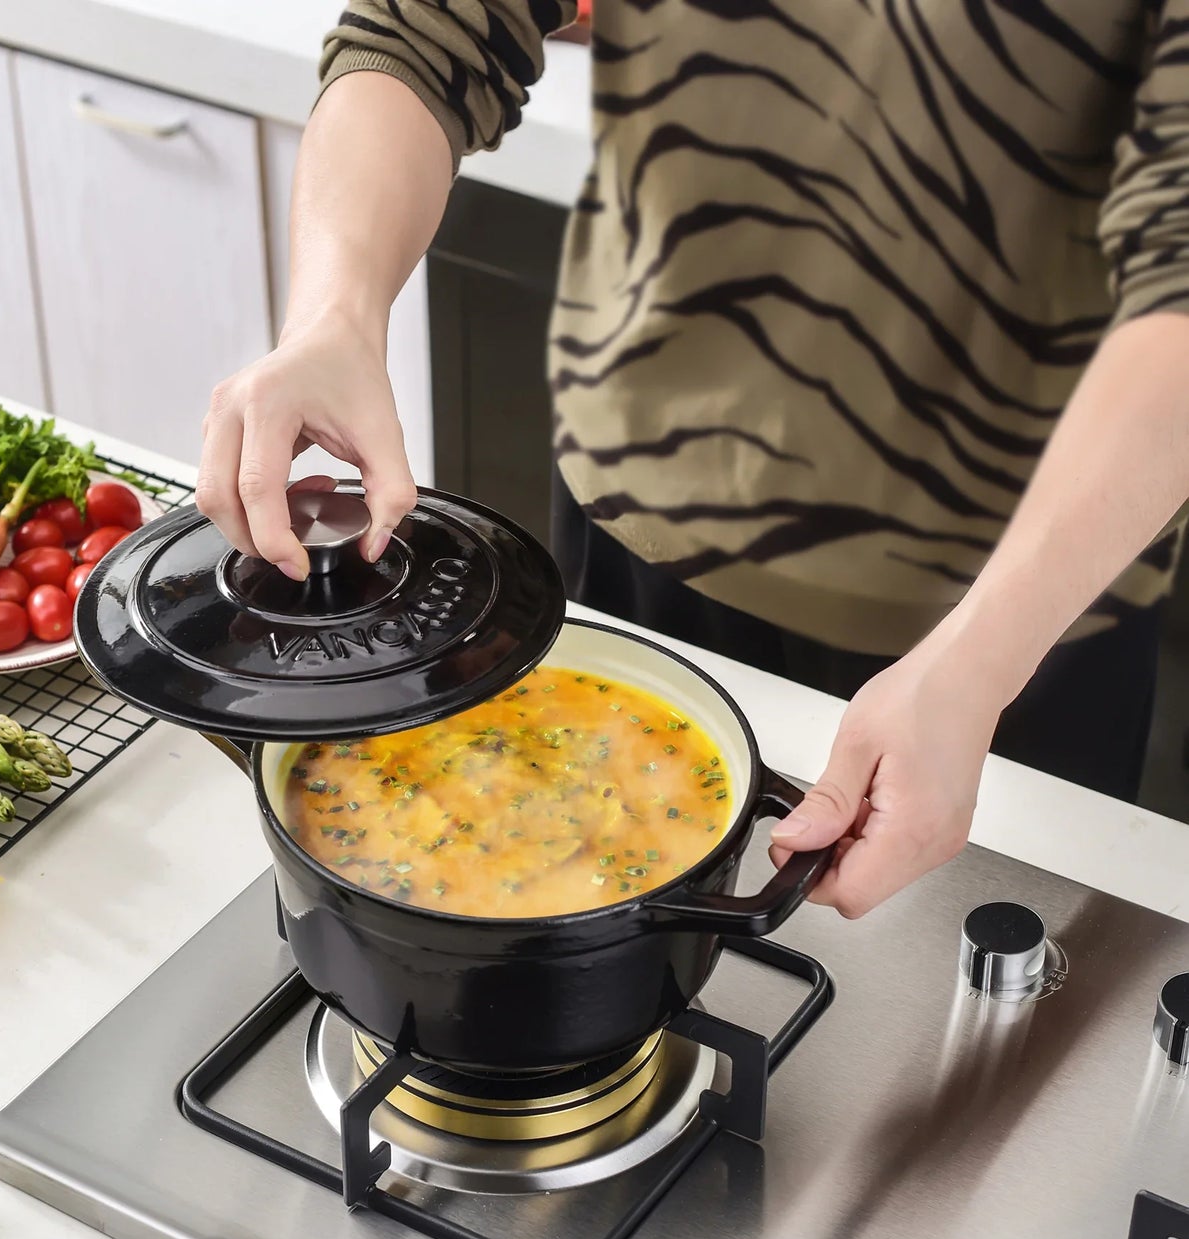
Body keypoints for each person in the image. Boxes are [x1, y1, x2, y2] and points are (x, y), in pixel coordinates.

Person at [195, 3, 1189, 918]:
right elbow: (422, 30)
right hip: (641, 529)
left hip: (1020, 618)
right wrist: (330, 318)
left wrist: (977, 665)